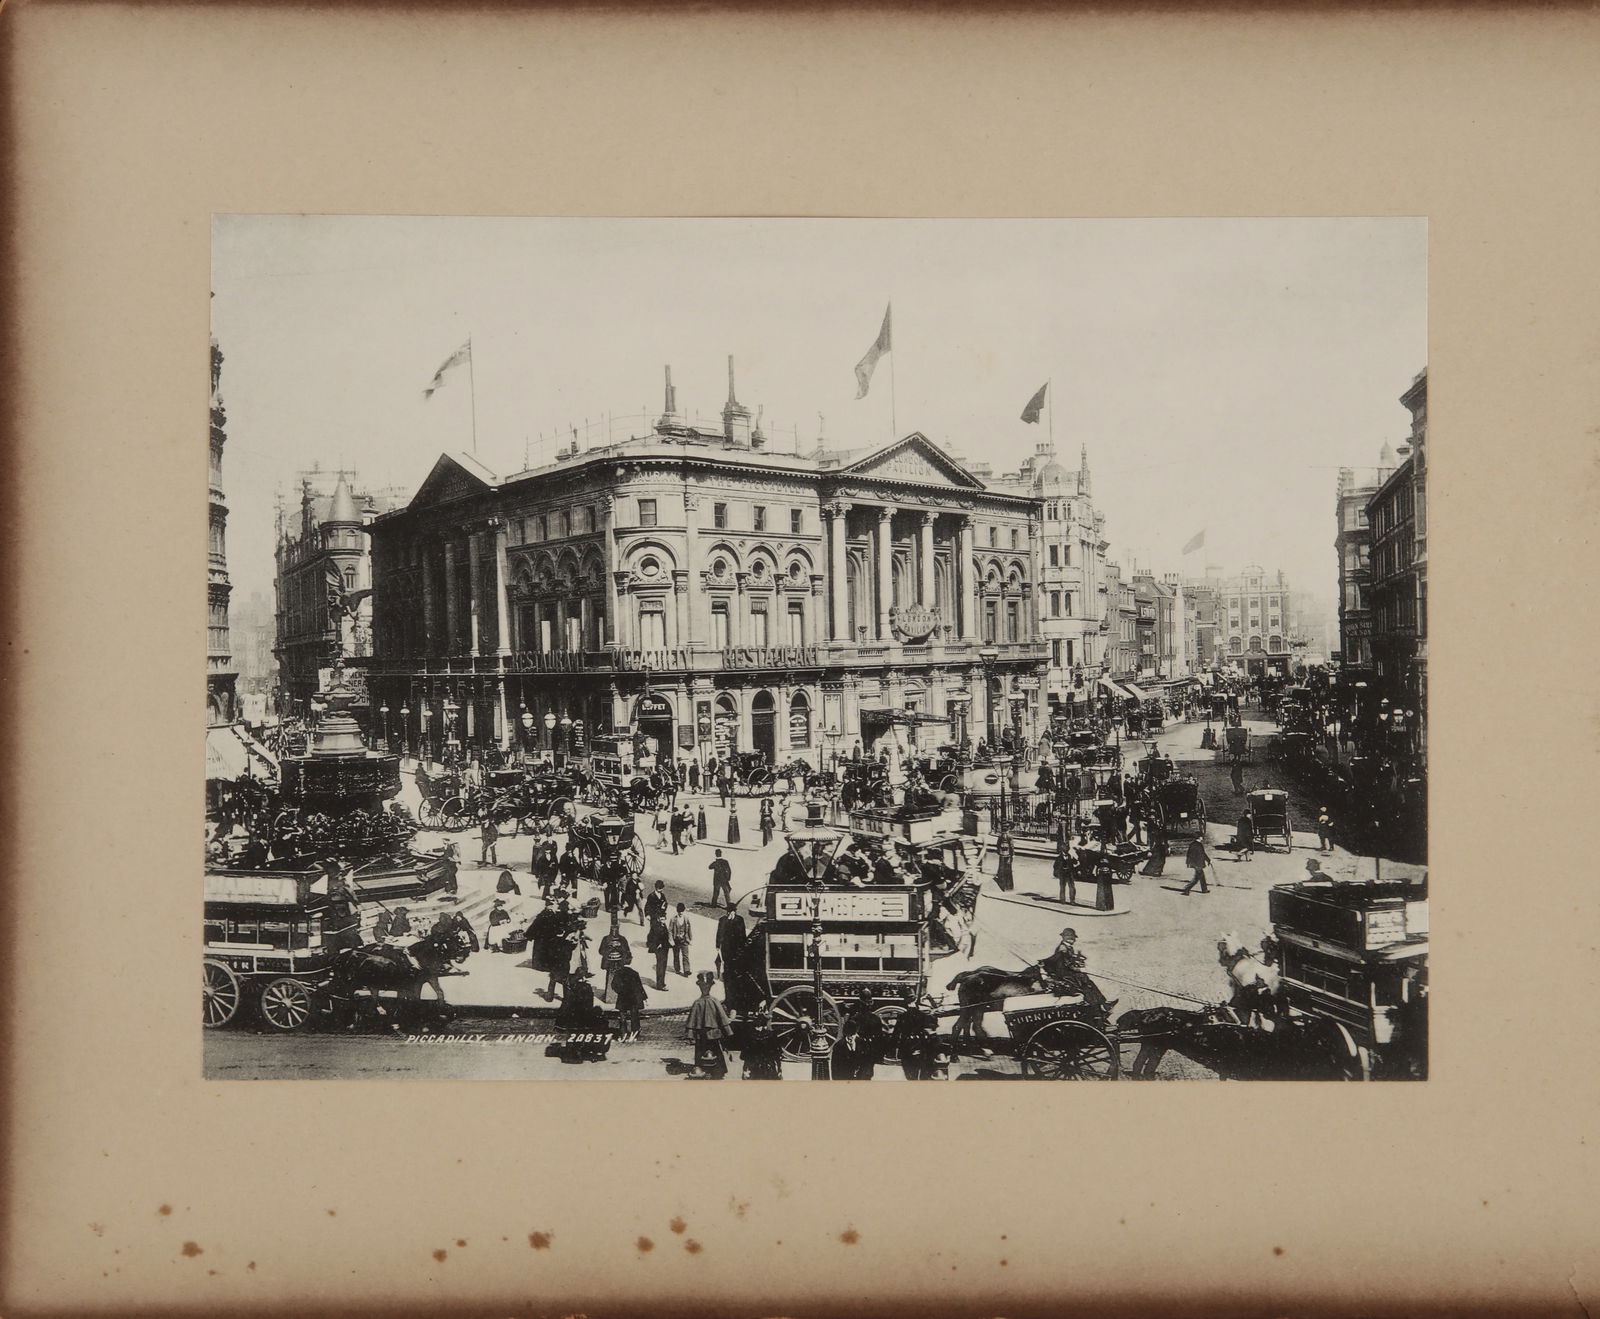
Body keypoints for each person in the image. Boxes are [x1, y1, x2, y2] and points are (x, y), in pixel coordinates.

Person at [1033, 927, 1107, 1009]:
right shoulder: (1063, 948)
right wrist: (1079, 969)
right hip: (1064, 973)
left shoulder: (1068, 947)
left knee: (1087, 982)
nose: (1073, 939)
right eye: (1070, 937)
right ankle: (1097, 1004)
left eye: (1073, 937)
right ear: (1064, 938)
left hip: (1066, 971)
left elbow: (1069, 961)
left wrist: (1077, 963)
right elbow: (1066, 964)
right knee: (1084, 981)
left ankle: (1100, 1003)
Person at [685, 971, 734, 1078]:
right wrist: (728, 1031)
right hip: (712, 1033)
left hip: (702, 1034)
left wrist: (690, 1034)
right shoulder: (713, 1001)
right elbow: (723, 1019)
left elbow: (692, 1022)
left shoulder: (698, 1003)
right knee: (713, 1050)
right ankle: (717, 1070)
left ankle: (703, 1069)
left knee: (702, 1050)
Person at [832, 989, 886, 1080]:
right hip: (869, 1050)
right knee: (866, 1073)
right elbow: (879, 1039)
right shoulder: (876, 1019)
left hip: (857, 1048)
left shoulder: (855, 1018)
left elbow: (847, 1032)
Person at [738, 1008, 785, 1080]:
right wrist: (779, 1070)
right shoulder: (772, 1035)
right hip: (769, 1069)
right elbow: (777, 1055)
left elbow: (746, 1057)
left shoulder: (750, 1036)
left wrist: (744, 1070)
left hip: (754, 1068)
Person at [596, 913, 633, 1003]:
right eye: (612, 929)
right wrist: (610, 949)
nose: (614, 931)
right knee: (610, 980)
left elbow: (627, 951)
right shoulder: (606, 939)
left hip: (619, 962)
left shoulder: (622, 939)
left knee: (620, 980)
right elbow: (601, 951)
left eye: (616, 929)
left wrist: (619, 948)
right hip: (609, 963)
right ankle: (609, 997)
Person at [611, 958, 647, 1037]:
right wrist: (643, 997)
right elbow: (639, 986)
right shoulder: (634, 973)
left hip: (623, 997)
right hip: (633, 998)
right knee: (634, 1015)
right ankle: (635, 1031)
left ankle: (623, 1032)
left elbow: (614, 985)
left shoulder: (618, 973)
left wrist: (620, 991)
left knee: (622, 1015)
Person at [646, 914, 671, 990]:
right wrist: (657, 944)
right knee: (660, 966)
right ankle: (660, 985)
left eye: (664, 919)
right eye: (661, 919)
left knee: (663, 966)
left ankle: (661, 983)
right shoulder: (656, 926)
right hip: (659, 949)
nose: (663, 920)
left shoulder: (664, 925)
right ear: (659, 919)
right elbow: (650, 936)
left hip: (665, 948)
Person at [668, 902, 693, 977]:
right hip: (676, 940)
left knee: (685, 955)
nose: (681, 913)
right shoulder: (673, 919)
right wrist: (671, 940)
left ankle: (686, 970)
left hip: (684, 940)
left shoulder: (686, 919)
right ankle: (677, 969)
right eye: (679, 912)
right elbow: (670, 930)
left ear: (684, 911)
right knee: (676, 955)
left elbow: (689, 929)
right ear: (677, 911)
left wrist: (690, 939)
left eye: (682, 911)